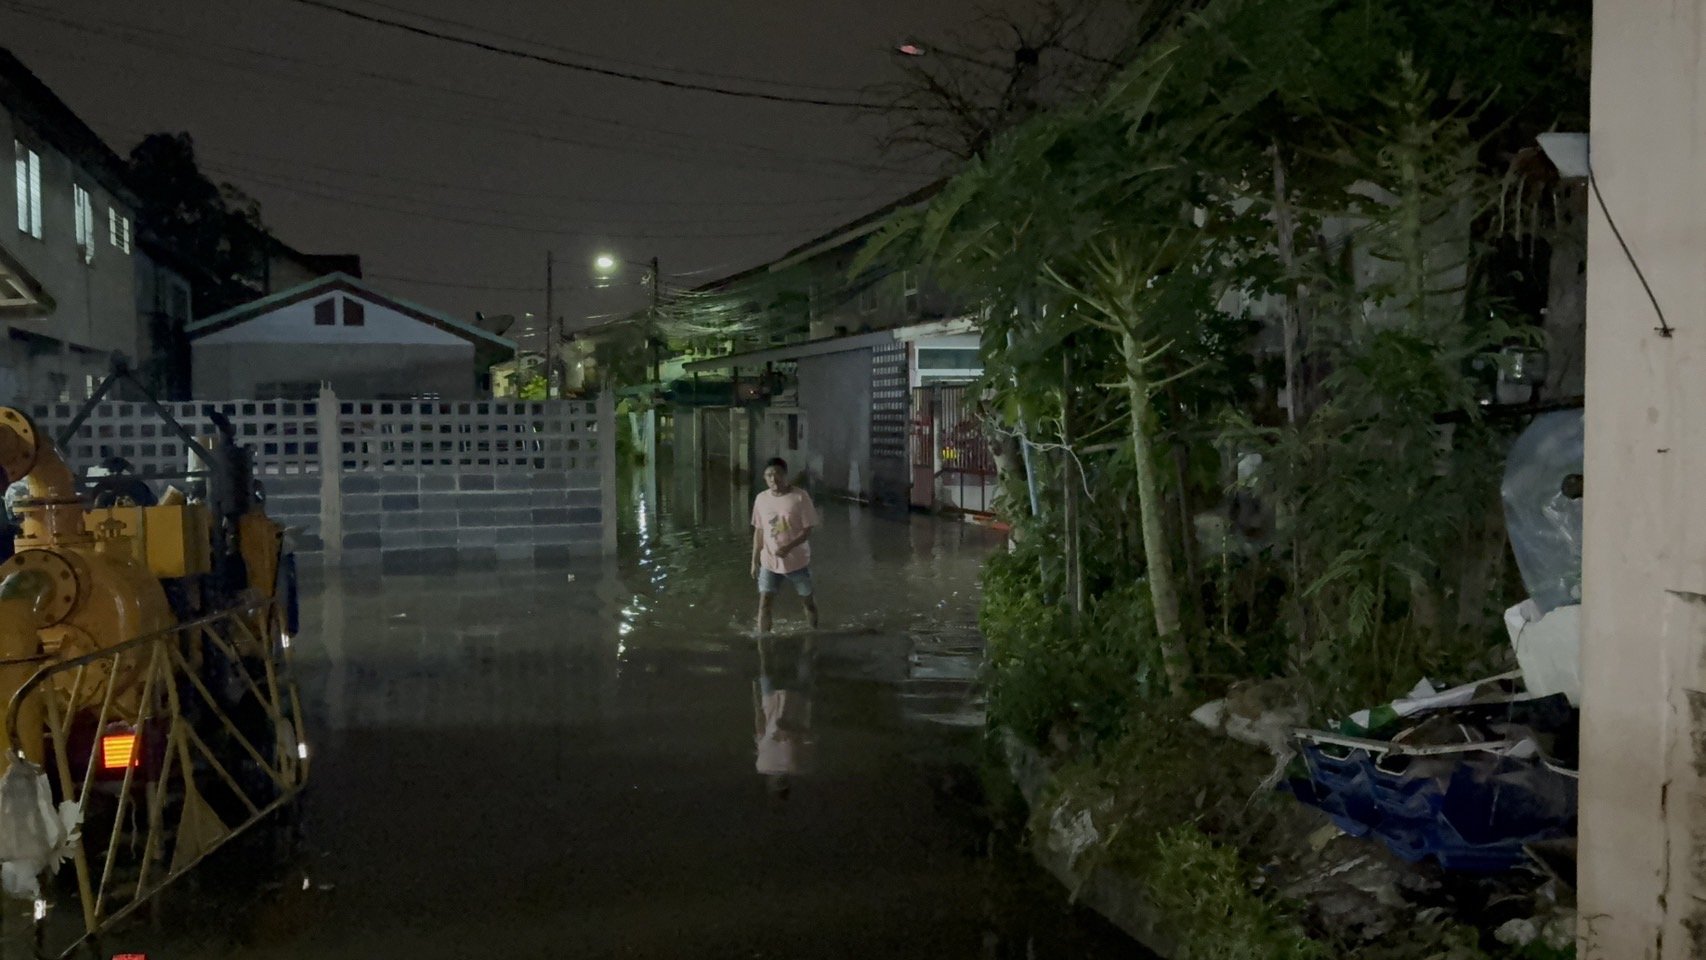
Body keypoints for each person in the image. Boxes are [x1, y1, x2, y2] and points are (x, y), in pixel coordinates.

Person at [750, 457, 819, 634]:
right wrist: (754, 560)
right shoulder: (761, 499)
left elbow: (807, 530)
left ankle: (813, 633)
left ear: (786, 475)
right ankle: (763, 640)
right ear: (765, 478)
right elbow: (759, 531)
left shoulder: (800, 497)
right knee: (765, 602)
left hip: (797, 562)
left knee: (808, 602)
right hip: (769, 561)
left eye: (777, 474)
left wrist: (788, 547)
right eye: (769, 475)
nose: (773, 479)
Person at [752, 634, 816, 799]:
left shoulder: (764, 764)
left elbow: (760, 727)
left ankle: (811, 628)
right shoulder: (798, 766)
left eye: (776, 786)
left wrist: (756, 696)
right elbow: (808, 732)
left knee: (768, 663)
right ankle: (811, 627)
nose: (778, 782)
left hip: (775, 703)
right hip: (794, 703)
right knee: (804, 661)